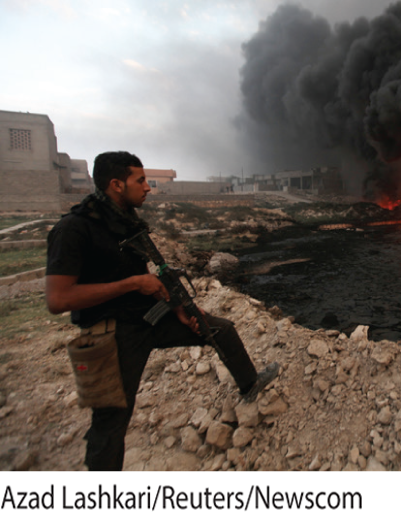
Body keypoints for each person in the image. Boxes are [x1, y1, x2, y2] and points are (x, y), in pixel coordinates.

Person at [45, 151, 279, 471]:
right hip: (112, 336)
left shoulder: (124, 221)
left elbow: (154, 276)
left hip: (148, 318)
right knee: (111, 423)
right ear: (116, 184)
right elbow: (58, 300)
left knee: (220, 329)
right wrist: (132, 284)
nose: (148, 187)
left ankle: (250, 385)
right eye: (140, 181)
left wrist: (178, 308)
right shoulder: (74, 228)